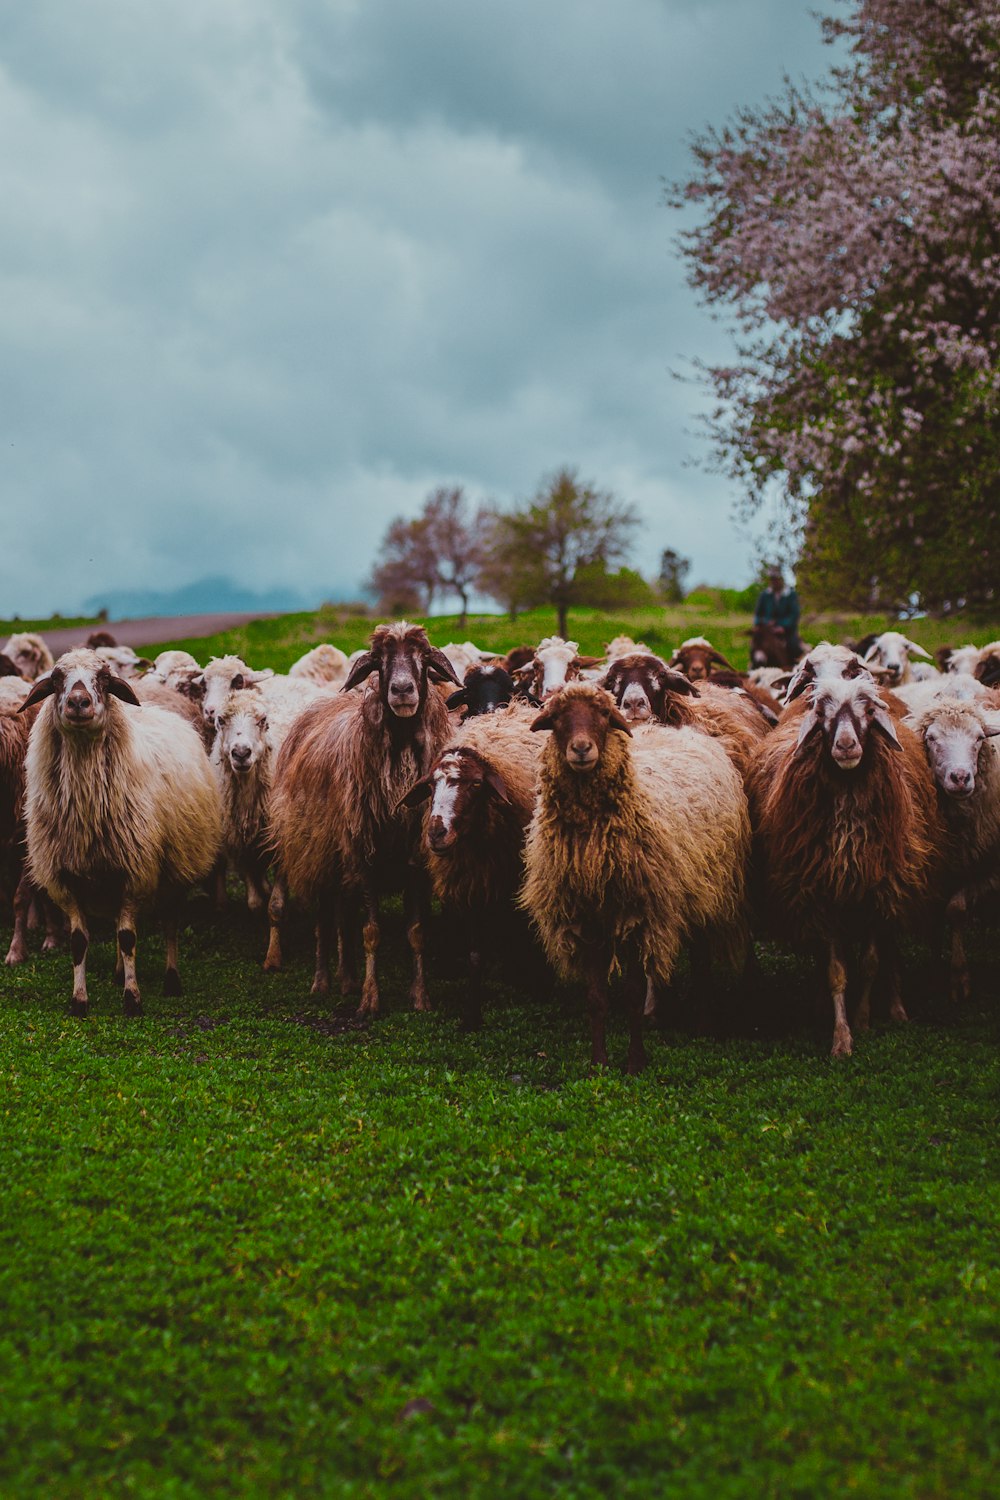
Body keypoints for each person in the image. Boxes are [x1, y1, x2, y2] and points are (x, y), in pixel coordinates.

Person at [754, 568, 802, 658]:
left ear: (781, 579)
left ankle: (793, 666)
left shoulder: (790, 595)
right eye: (772, 579)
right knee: (756, 647)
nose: (774, 582)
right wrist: (765, 623)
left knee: (794, 647)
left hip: (787, 631)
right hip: (767, 630)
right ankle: (753, 668)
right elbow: (758, 614)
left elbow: (794, 615)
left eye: (776, 579)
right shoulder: (764, 595)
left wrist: (783, 626)